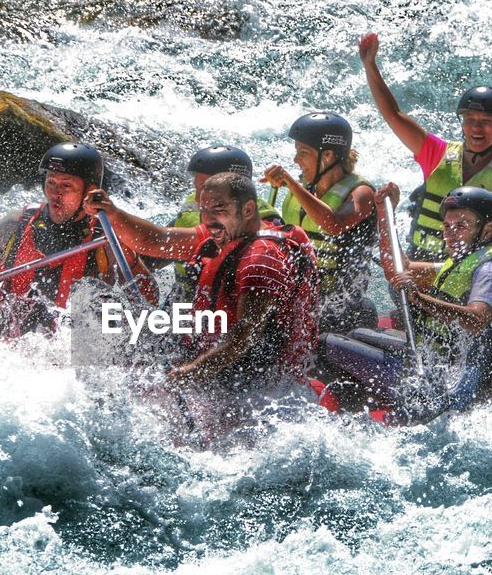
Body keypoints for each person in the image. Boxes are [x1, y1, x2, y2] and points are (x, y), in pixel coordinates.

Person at [83, 171, 318, 407]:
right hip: (215, 354)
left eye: (218, 208)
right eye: (204, 209)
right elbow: (155, 240)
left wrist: (192, 372)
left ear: (247, 210)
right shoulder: (227, 230)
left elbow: (245, 334)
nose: (208, 219)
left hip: (249, 380)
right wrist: (114, 213)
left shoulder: (261, 258)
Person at [320, 186, 492, 422]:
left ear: (487, 230)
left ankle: (355, 421)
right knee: (356, 334)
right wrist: (383, 212)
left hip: (456, 389)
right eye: (447, 226)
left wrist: (420, 299)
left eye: (461, 226)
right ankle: (362, 407)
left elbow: (477, 320)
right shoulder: (459, 263)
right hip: (435, 366)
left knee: (327, 346)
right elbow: (399, 270)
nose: (450, 234)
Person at [0, 142, 151, 337]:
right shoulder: (18, 223)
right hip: (6, 335)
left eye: (67, 186)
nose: (55, 193)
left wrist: (127, 256)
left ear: (89, 191)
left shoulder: (107, 237)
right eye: (51, 183)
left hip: (69, 342)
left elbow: (149, 298)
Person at [359, 32, 492, 262]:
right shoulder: (436, 154)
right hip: (418, 265)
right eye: (470, 120)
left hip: (470, 276)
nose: (476, 128)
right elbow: (394, 116)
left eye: (486, 122)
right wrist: (370, 66)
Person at [261, 112, 378, 333]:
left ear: (328, 156)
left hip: (338, 306)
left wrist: (291, 183)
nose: (296, 160)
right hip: (298, 295)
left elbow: (334, 224)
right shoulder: (304, 188)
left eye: (303, 153)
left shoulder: (362, 193)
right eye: (296, 153)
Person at [164, 145, 280, 305]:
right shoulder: (193, 204)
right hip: (183, 297)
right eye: (197, 187)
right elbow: (161, 247)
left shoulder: (263, 221)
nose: (198, 199)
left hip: (228, 304)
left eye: (206, 187)